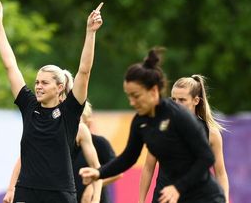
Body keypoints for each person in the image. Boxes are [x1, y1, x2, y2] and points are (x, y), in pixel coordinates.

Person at [0, 0, 103, 203]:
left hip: (60, 194)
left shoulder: (70, 111)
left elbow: (84, 70)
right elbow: (10, 66)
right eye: (37, 82)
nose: (38, 86)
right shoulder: (29, 106)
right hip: (27, 192)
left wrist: (90, 32)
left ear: (59, 87)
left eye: (45, 83)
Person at [79, 49, 225, 203]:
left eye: (136, 96)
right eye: (129, 96)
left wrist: (178, 188)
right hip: (169, 196)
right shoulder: (140, 121)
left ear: (154, 91)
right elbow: (128, 157)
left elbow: (206, 157)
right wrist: (99, 172)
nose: (132, 102)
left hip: (203, 197)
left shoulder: (179, 116)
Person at [138, 75, 229, 203]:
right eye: (173, 99)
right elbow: (148, 167)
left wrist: (224, 200)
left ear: (196, 100)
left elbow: (220, 173)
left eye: (182, 100)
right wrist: (140, 200)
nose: (176, 104)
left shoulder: (211, 133)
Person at [3, 102, 104, 203]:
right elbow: (24, 158)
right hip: (33, 189)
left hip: (61, 191)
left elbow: (96, 167)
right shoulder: (45, 121)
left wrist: (95, 198)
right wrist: (11, 189)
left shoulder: (81, 129)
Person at [72, 101, 122, 203]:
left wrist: (92, 186)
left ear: (88, 123)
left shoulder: (100, 143)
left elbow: (117, 172)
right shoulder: (63, 145)